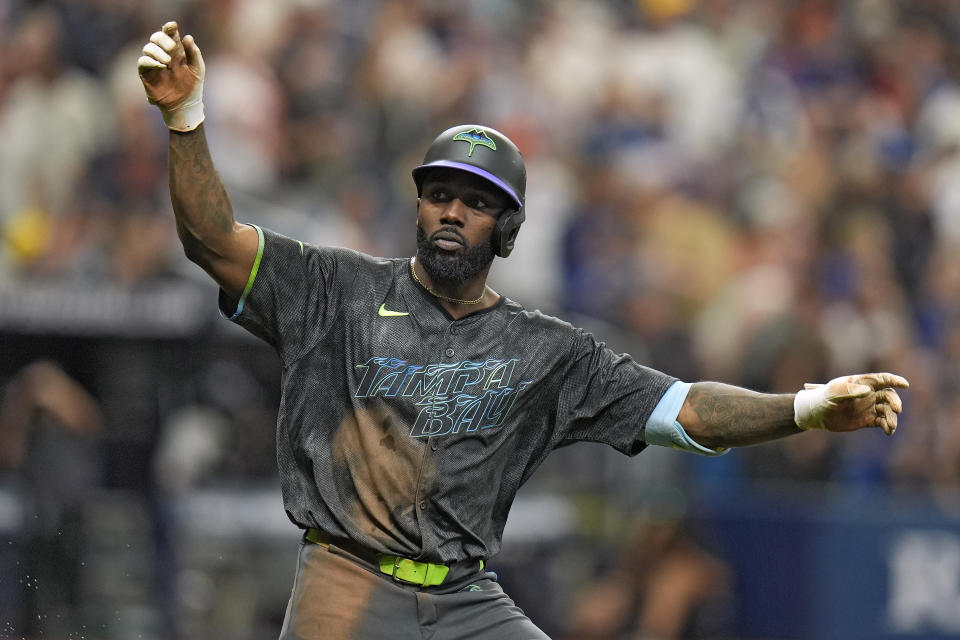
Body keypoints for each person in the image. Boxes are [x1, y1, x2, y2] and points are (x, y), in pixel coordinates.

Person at [137, 21, 909, 640]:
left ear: (506, 230)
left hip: (467, 600)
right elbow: (212, 239)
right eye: (438, 194)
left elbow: (683, 411)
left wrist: (806, 409)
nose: (450, 210)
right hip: (346, 586)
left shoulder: (548, 352)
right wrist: (184, 116)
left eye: (474, 203)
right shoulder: (336, 289)